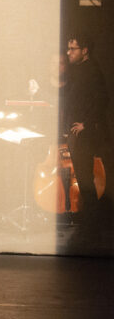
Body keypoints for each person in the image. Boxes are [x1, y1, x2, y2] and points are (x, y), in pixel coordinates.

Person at [63, 32, 110, 228]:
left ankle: (92, 221)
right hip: (77, 132)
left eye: (73, 49)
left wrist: (86, 124)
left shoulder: (91, 71)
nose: (68, 52)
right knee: (83, 177)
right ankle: (89, 218)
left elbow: (102, 100)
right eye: (68, 48)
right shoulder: (80, 70)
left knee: (85, 177)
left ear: (84, 50)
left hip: (85, 133)